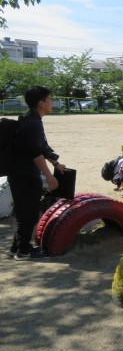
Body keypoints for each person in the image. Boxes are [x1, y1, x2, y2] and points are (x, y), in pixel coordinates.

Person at [8, 86, 65, 260]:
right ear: (41, 103)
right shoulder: (33, 123)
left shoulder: (30, 119)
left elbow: (42, 147)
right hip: (26, 175)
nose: (52, 102)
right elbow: (35, 153)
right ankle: (23, 251)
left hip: (18, 173)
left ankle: (16, 247)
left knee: (22, 211)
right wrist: (49, 175)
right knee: (29, 213)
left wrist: (56, 162)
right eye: (50, 99)